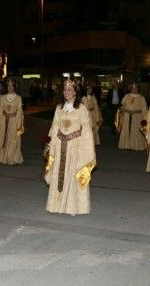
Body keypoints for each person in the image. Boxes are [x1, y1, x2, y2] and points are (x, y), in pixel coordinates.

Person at [44, 79, 96, 215]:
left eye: (70, 90)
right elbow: (55, 126)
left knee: (73, 175)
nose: (67, 92)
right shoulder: (59, 108)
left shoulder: (81, 108)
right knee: (58, 175)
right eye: (65, 90)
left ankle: (73, 206)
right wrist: (50, 143)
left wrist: (84, 148)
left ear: (75, 92)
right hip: (60, 147)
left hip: (75, 148)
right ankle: (56, 205)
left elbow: (86, 129)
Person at [0, 79, 24, 165]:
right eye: (8, 86)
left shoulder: (18, 98)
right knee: (2, 138)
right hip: (3, 120)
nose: (10, 87)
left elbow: (19, 111)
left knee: (12, 138)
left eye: (11, 86)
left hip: (14, 121)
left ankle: (11, 158)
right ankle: (1, 157)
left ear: (14, 87)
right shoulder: (3, 97)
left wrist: (18, 124)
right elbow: (0, 109)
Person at [118, 83, 147, 150]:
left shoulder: (141, 98)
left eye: (135, 88)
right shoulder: (127, 96)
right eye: (133, 88)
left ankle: (135, 146)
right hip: (127, 116)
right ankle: (126, 145)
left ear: (138, 89)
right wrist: (122, 109)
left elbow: (144, 109)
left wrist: (144, 119)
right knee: (127, 129)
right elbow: (123, 105)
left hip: (137, 117)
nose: (134, 89)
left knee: (136, 130)